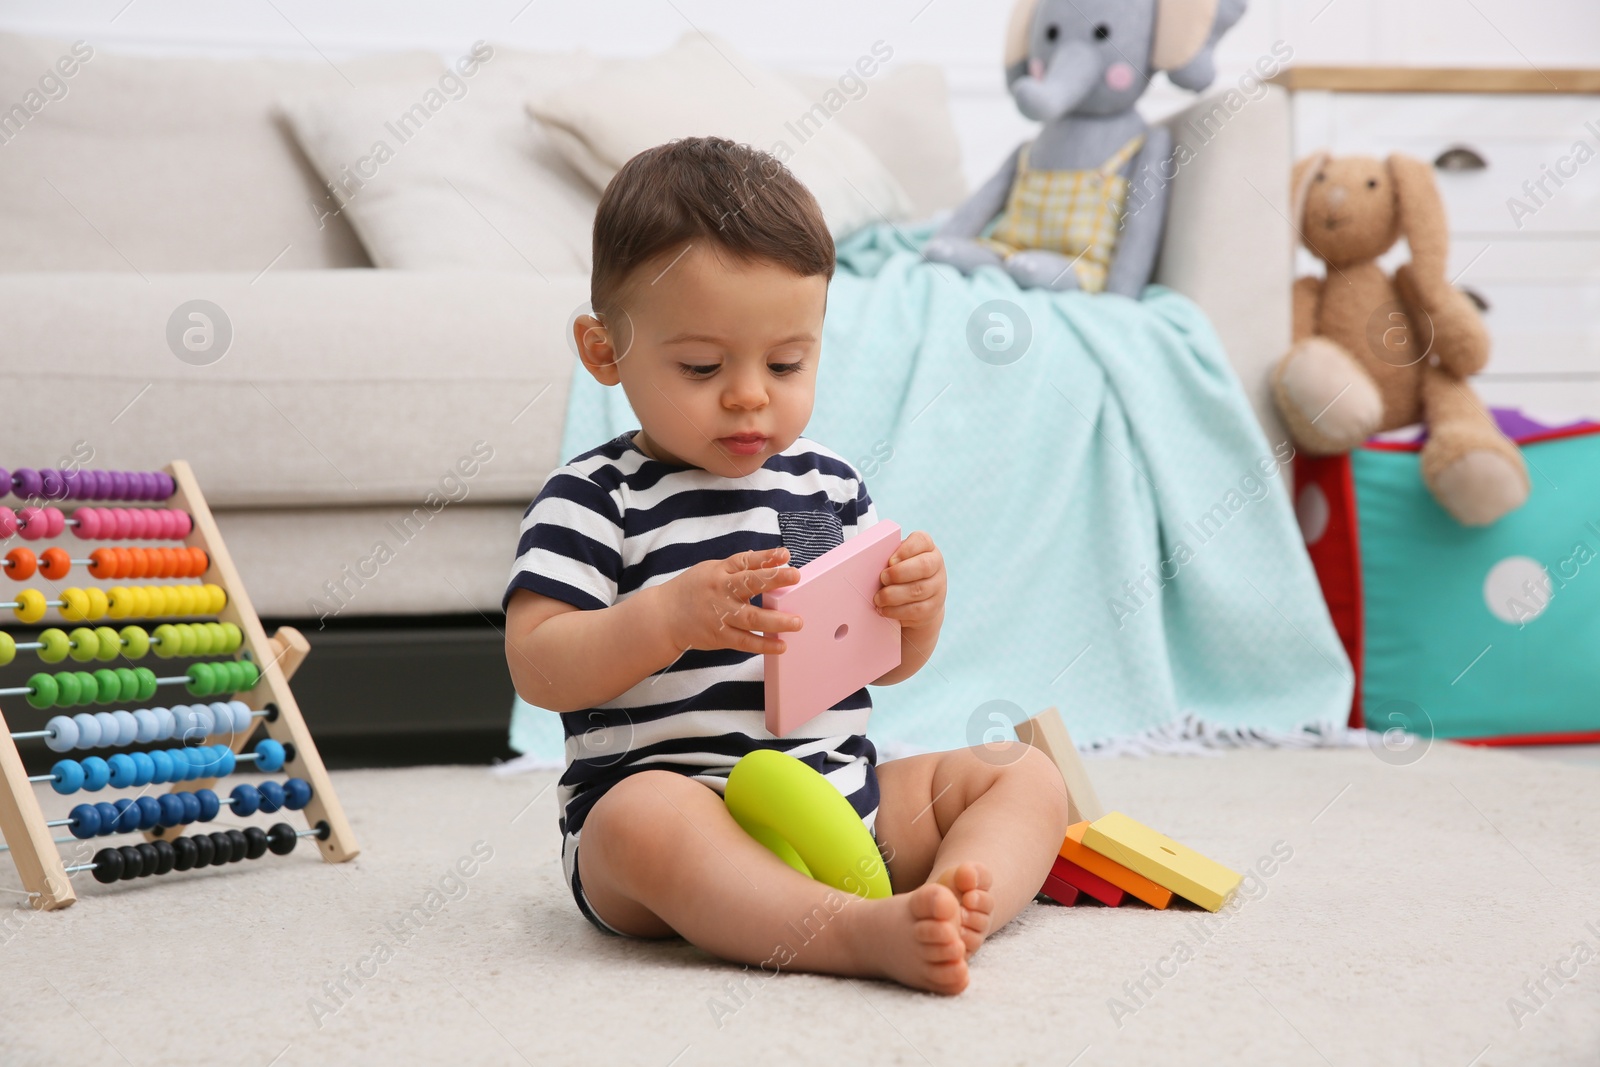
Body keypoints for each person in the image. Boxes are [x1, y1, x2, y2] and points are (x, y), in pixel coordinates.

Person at [504, 135, 1071, 995]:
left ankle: (962, 902)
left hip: (841, 806)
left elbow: (878, 657)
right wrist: (663, 619)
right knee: (641, 819)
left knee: (1020, 772)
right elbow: (538, 663)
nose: (749, 394)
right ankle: (853, 933)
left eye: (785, 362)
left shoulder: (822, 487)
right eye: (702, 365)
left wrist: (916, 613)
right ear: (604, 351)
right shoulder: (596, 496)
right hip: (681, 816)